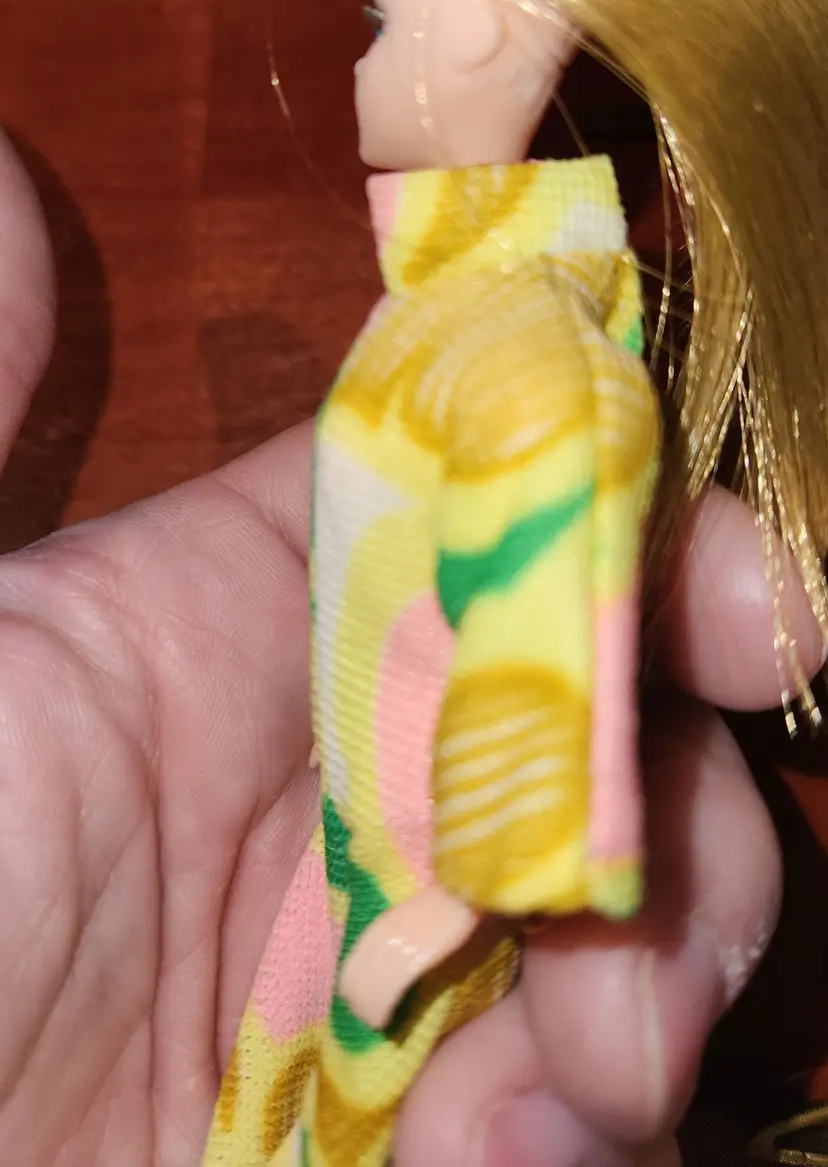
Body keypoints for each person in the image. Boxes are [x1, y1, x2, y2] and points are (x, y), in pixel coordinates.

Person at [0, 115, 819, 1167]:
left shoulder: (528, 350)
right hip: (344, 853)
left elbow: (537, 654)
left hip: (409, 875)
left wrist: (460, 896)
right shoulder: (461, 313)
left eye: (396, 34)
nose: (364, 75)